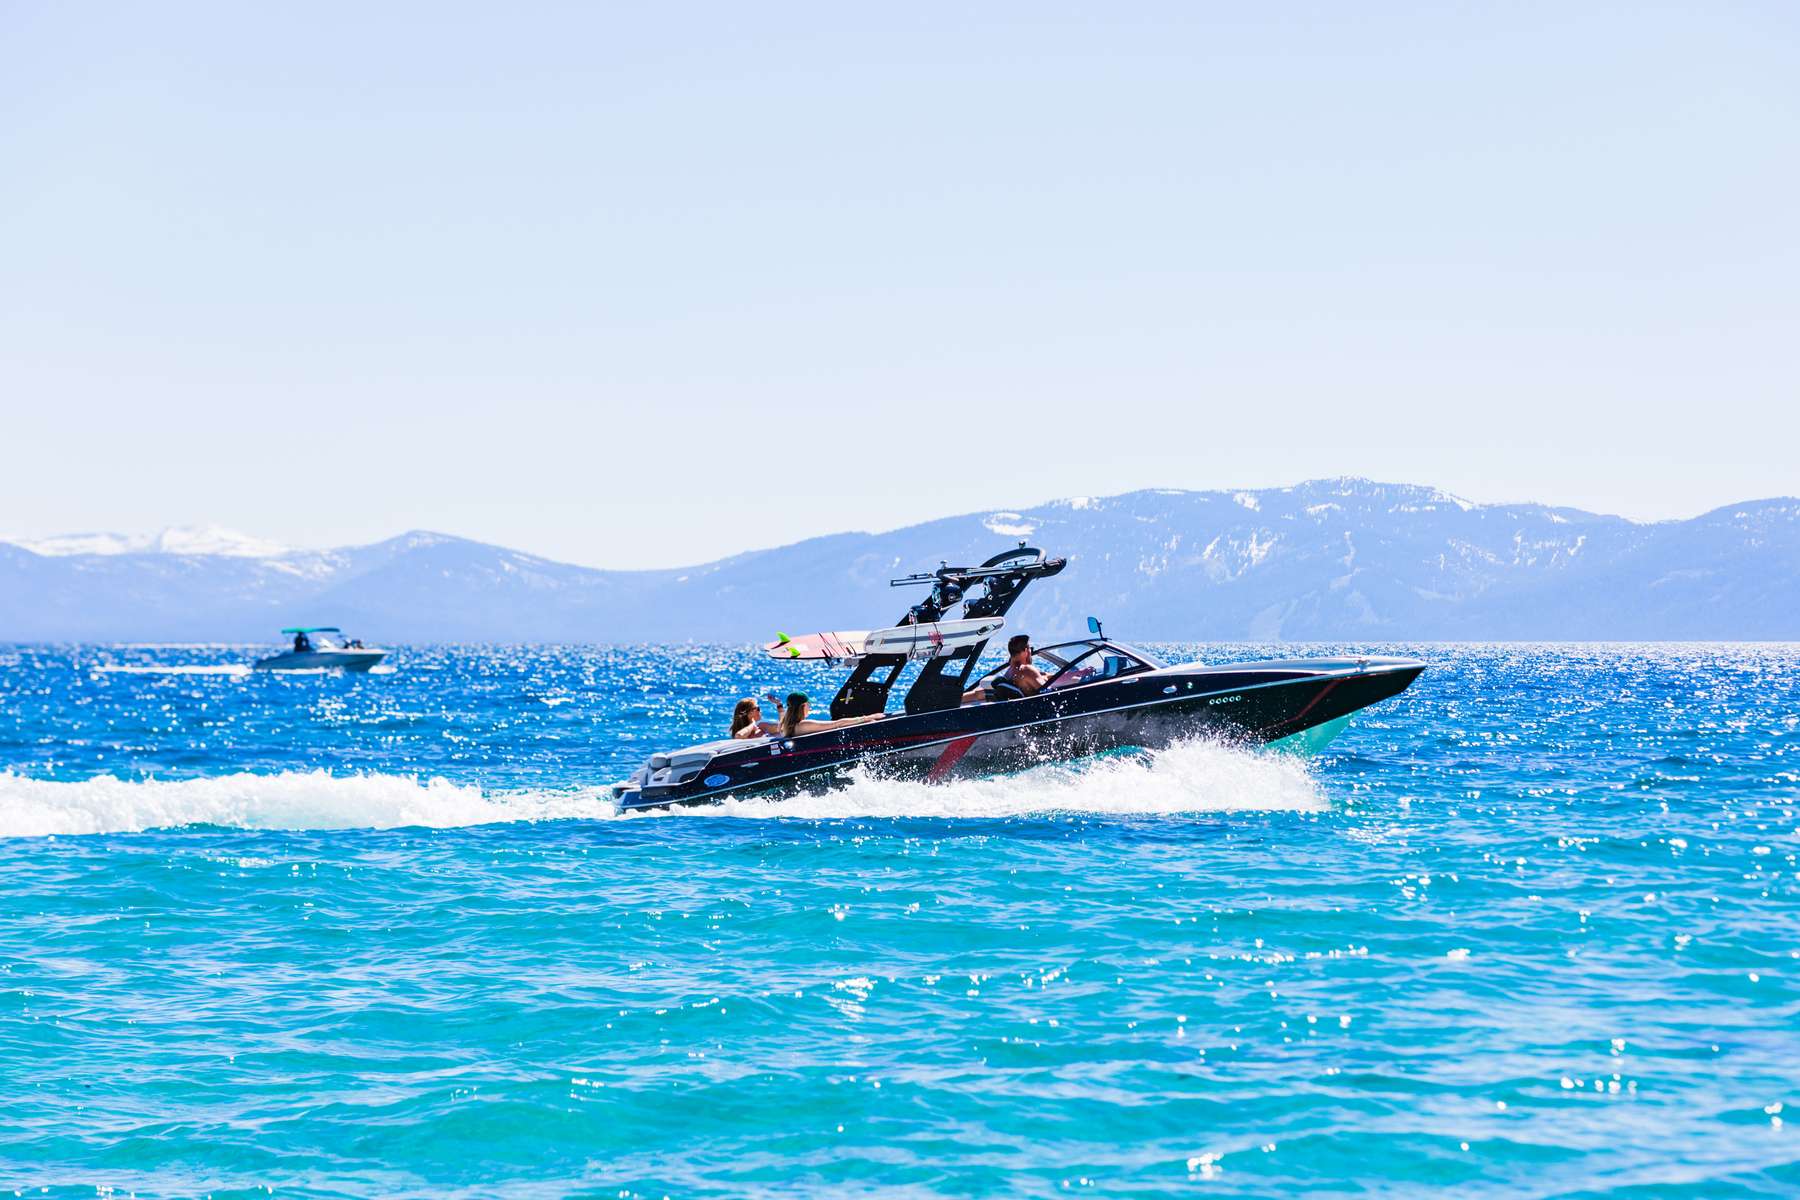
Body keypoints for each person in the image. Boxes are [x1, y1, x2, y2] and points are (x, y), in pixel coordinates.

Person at [964, 634, 1049, 703]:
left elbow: (978, 693)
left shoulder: (1010, 672)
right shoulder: (1027, 670)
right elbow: (1047, 692)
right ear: (1025, 651)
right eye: (1030, 648)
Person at [777, 692, 885, 738]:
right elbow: (836, 724)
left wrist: (779, 707)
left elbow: (782, 719)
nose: (810, 707)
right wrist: (868, 718)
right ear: (803, 706)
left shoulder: (785, 726)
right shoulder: (803, 725)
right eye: (809, 704)